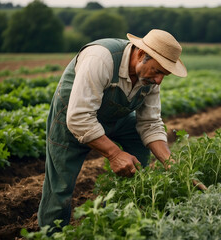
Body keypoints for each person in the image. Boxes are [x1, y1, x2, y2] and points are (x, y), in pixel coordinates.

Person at [38, 29, 187, 229]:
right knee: (60, 187)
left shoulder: (149, 78)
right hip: (72, 119)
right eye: (158, 71)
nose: (159, 80)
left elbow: (150, 122)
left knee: (137, 138)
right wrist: (115, 154)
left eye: (164, 75)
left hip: (114, 117)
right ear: (142, 54)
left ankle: (117, 214)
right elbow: (80, 118)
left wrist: (171, 164)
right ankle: (51, 232)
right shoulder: (101, 58)